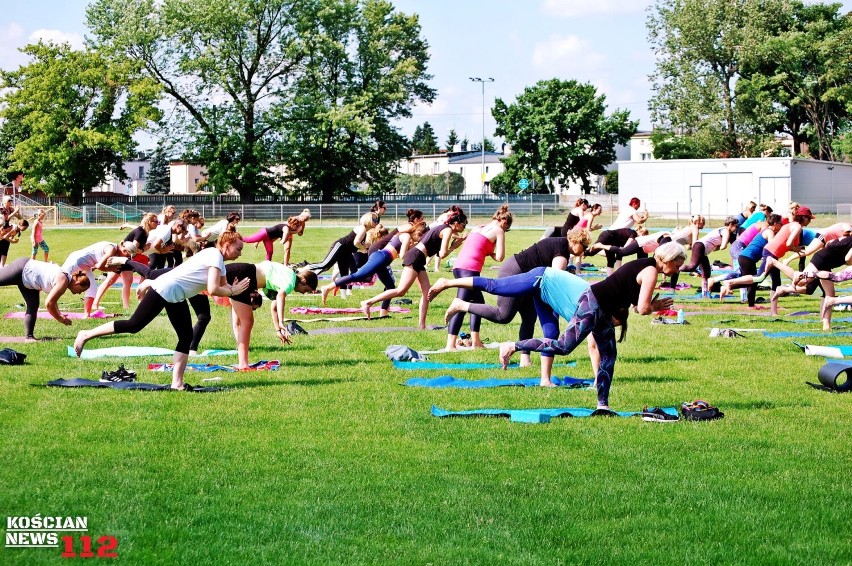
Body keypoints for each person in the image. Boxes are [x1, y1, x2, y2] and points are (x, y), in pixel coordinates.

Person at [496, 243, 684, 405]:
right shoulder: (650, 270)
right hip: (594, 305)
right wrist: (654, 306)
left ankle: (602, 405)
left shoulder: (646, 266)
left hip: (603, 310)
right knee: (563, 346)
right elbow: (643, 309)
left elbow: (635, 307)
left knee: (609, 355)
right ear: (667, 259)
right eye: (677, 265)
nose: (677, 270)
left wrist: (652, 305)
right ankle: (513, 345)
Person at [73, 230, 251, 390]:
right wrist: (232, 291)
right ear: (226, 246)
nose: (240, 253)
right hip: (166, 289)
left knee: (186, 336)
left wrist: (232, 289)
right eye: (238, 249)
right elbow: (213, 289)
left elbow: (223, 285)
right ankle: (85, 334)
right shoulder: (214, 255)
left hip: (176, 293)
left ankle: (177, 383)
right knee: (134, 325)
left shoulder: (216, 257)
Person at [428, 229, 591, 365]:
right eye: (584, 247)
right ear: (576, 242)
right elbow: (556, 281)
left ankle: (524, 359)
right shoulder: (562, 251)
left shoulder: (561, 245)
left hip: (529, 278)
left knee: (529, 317)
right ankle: (459, 301)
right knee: (503, 314)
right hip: (517, 270)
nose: (583, 252)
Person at [361, 210, 467, 329]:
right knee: (401, 290)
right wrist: (453, 247)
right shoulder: (447, 230)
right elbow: (442, 254)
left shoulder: (443, 228)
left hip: (419, 257)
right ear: (456, 223)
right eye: (464, 224)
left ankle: (422, 325)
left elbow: (437, 252)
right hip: (416, 256)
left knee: (427, 294)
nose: (465, 227)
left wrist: (455, 244)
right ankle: (367, 302)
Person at [319, 220, 428, 314]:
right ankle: (327, 287)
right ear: (417, 233)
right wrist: (414, 247)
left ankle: (383, 313)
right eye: (420, 237)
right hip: (382, 257)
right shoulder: (406, 236)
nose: (419, 241)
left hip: (383, 259)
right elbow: (403, 256)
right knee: (359, 275)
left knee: (390, 286)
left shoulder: (404, 236)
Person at [224, 261, 318, 369]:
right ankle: (243, 365)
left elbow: (274, 308)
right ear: (304, 281)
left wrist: (278, 329)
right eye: (306, 290)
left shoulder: (285, 276)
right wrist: (282, 323)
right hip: (243, 275)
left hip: (243, 273)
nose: (303, 293)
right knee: (246, 322)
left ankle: (243, 362)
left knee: (242, 322)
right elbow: (281, 295)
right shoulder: (290, 282)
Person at [444, 205, 512, 350]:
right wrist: (491, 252)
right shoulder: (499, 230)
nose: (505, 231)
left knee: (478, 303)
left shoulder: (478, 227)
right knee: (460, 305)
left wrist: (486, 250)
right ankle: (450, 345)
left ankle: (476, 342)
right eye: (507, 229)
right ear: (505, 223)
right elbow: (500, 257)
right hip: (469, 270)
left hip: (459, 267)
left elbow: (475, 246)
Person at [0, 258, 89, 340]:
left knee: (33, 306)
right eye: (81, 290)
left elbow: (53, 300)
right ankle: (29, 337)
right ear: (77, 284)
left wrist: (59, 313)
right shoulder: (64, 281)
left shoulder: (65, 280)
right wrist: (59, 318)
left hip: (29, 282)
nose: (80, 293)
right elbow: (49, 303)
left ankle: (29, 337)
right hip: (22, 268)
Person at [94, 213, 160, 310]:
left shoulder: (144, 231)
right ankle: (95, 304)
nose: (158, 224)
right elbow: (132, 249)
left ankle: (126, 307)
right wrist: (144, 249)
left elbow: (135, 229)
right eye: (156, 222)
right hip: (121, 257)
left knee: (128, 282)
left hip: (127, 259)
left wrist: (126, 225)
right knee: (110, 281)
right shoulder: (141, 232)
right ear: (149, 222)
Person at [304, 214, 378, 294]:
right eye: (374, 220)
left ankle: (344, 296)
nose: (376, 222)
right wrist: (363, 248)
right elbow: (356, 242)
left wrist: (365, 246)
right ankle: (302, 269)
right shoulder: (362, 228)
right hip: (340, 246)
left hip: (347, 251)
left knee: (344, 274)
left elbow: (356, 244)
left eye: (376, 220)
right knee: (325, 264)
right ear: (368, 220)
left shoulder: (365, 232)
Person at [62, 240, 138, 316]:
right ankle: (51, 305)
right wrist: (111, 269)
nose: (126, 258)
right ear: (124, 251)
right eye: (128, 256)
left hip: (85, 265)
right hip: (76, 260)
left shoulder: (115, 251)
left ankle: (87, 314)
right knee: (61, 281)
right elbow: (99, 266)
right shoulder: (111, 249)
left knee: (92, 287)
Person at [678, 216, 739, 297]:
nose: (736, 228)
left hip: (702, 249)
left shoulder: (724, 230)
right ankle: (675, 267)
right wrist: (724, 243)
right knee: (692, 267)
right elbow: (723, 246)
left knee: (706, 273)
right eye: (736, 226)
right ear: (731, 224)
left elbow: (716, 248)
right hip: (700, 246)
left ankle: (705, 294)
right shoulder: (725, 231)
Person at [242, 208, 312, 263]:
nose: (305, 221)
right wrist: (285, 238)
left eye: (306, 220)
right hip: (276, 233)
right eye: (305, 219)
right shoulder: (294, 220)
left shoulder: (302, 223)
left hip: (281, 234)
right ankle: (244, 238)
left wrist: (299, 232)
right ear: (301, 216)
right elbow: (286, 230)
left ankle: (279, 265)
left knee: (279, 250)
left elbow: (300, 233)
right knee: (254, 239)